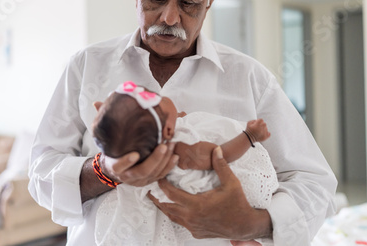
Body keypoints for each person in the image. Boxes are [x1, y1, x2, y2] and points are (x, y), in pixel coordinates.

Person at [28, 0, 337, 246]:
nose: (170, 17)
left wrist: (250, 223)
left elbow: (315, 183)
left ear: (209, 2)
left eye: (188, 2)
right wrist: (105, 170)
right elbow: (40, 174)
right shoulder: (86, 66)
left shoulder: (250, 78)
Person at [92, 81, 279, 245]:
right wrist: (250, 136)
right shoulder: (185, 151)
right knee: (231, 210)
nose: (165, 97)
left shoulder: (148, 149)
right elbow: (223, 156)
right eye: (159, 98)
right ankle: (242, 239)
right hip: (213, 196)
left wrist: (175, 119)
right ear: (167, 131)